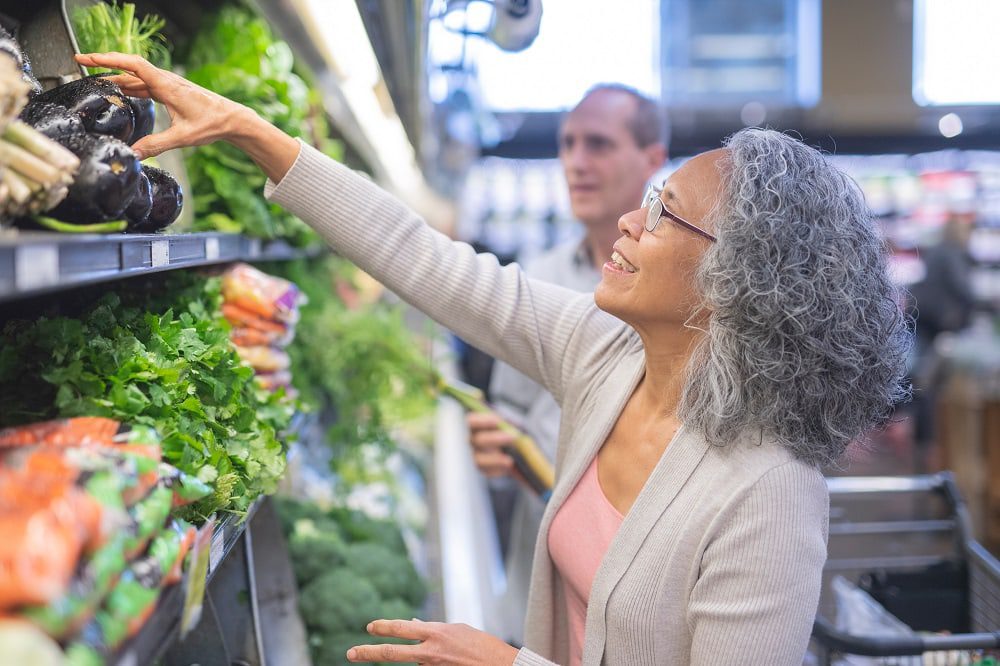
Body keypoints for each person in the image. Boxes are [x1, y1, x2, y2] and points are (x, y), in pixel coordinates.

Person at [80, 51, 911, 665]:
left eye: (663, 215)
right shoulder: (605, 353)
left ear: (735, 279)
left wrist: (510, 664)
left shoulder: (771, 492)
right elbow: (430, 262)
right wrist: (251, 131)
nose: (628, 218)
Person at [469, 83, 666, 644]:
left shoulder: (684, 292)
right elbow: (512, 409)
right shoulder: (539, 276)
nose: (576, 163)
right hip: (542, 586)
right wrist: (496, 445)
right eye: (568, 144)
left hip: (638, 588)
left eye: (599, 145)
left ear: (653, 160)